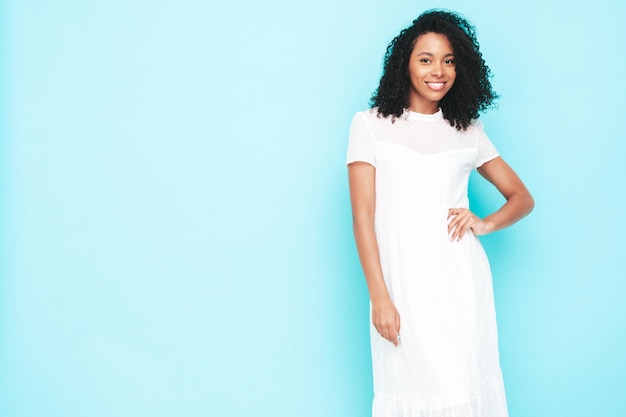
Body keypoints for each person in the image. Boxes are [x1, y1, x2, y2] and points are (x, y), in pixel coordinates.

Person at [346, 9, 534, 417]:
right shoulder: (370, 125)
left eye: (449, 60)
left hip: (458, 280)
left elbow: (521, 196)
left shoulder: (468, 130)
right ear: (405, 64)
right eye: (426, 59)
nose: (439, 71)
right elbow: (362, 217)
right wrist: (379, 295)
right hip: (400, 282)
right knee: (410, 387)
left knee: (460, 386)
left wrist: (484, 224)